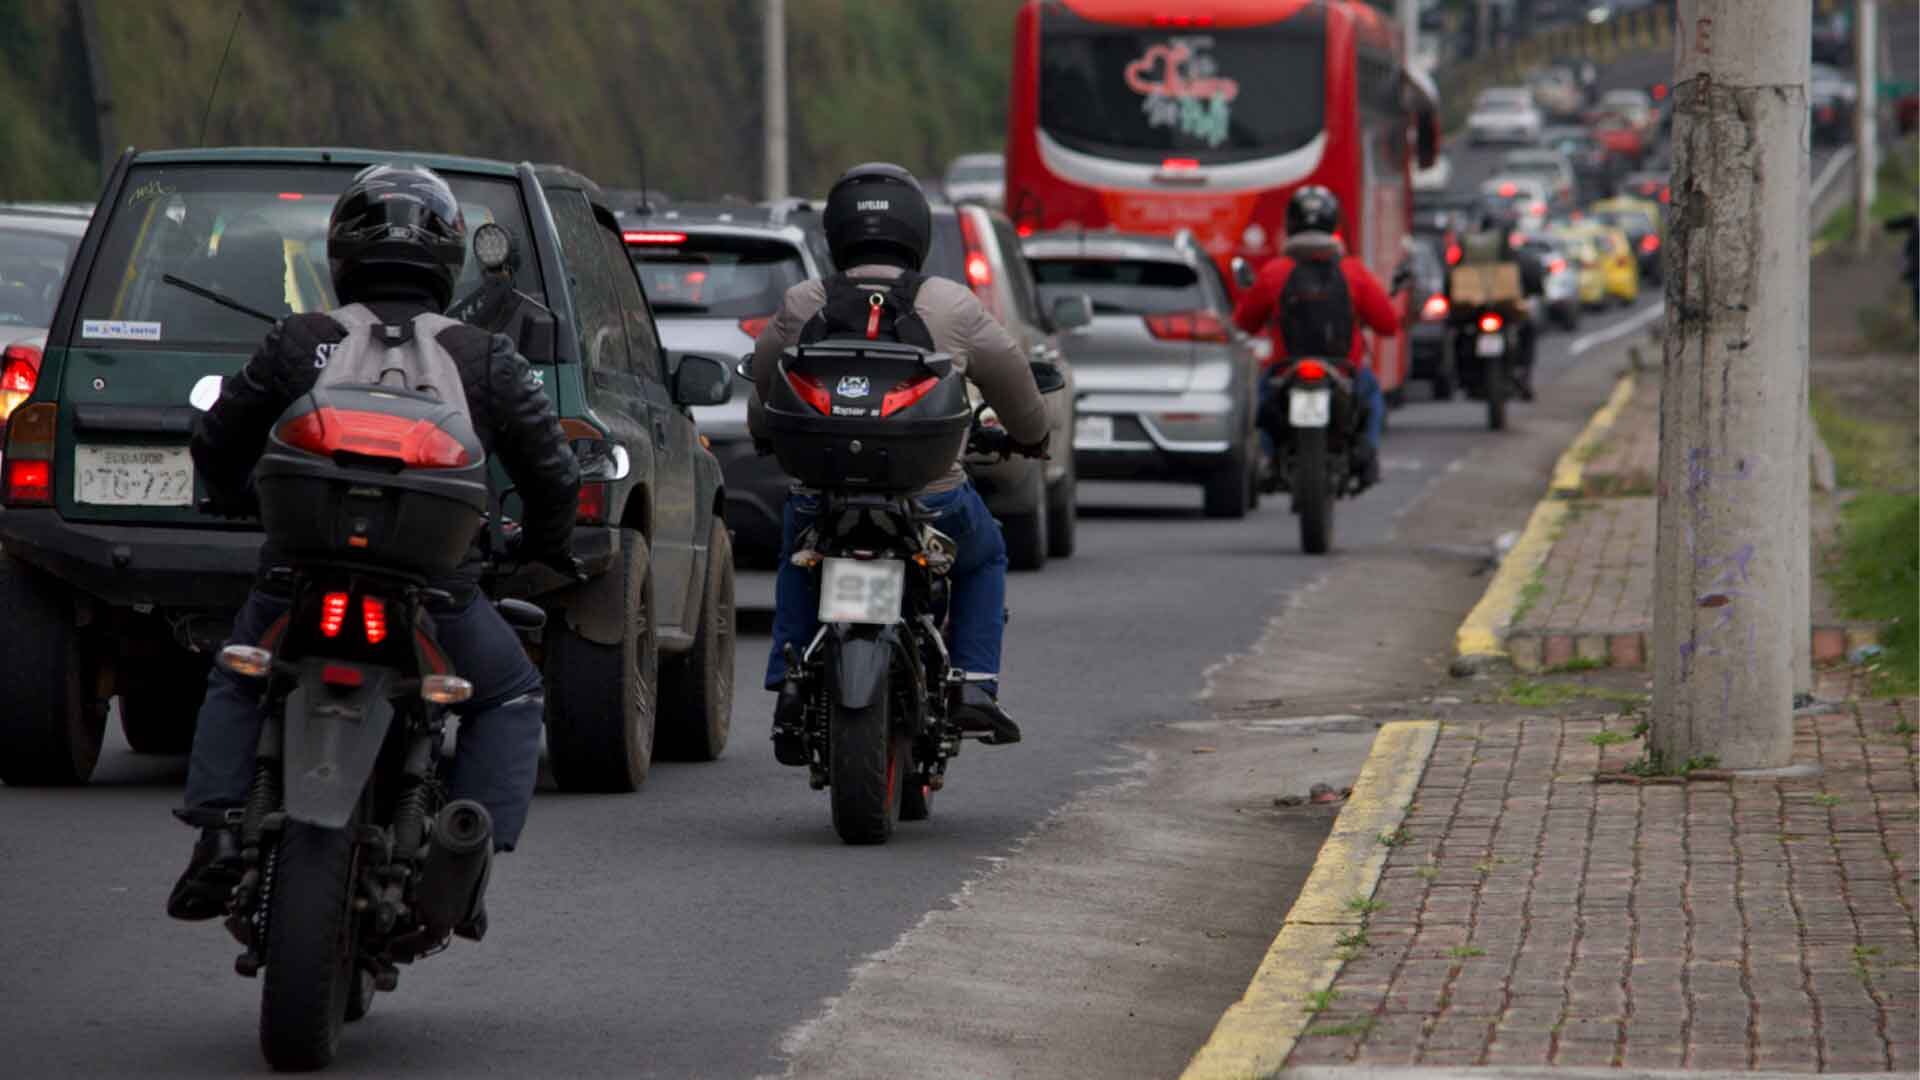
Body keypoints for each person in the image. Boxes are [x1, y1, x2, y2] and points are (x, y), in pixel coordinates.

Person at [167, 164, 581, 924]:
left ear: (341, 256)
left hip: (297, 575)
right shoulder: (484, 355)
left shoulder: (301, 341)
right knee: (513, 694)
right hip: (437, 591)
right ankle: (464, 851)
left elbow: (218, 439)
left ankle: (221, 833)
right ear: (449, 261)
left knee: (239, 673)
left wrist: (230, 499)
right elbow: (552, 472)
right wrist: (545, 547)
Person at [748, 162, 1048, 749]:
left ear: (836, 233)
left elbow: (767, 381)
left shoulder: (804, 300)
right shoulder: (951, 304)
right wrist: (1032, 436)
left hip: (823, 494)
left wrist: (765, 429)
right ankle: (975, 684)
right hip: (931, 499)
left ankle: (788, 678)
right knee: (984, 557)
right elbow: (1014, 382)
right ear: (917, 232)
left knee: (797, 548)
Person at [1231, 185, 1401, 489]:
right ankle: (1368, 454)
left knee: (1261, 402)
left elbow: (1244, 324)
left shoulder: (1275, 272)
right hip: (1345, 373)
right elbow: (1388, 324)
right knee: (1372, 394)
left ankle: (1269, 460)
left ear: (1292, 223)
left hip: (1285, 371)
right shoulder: (1354, 272)